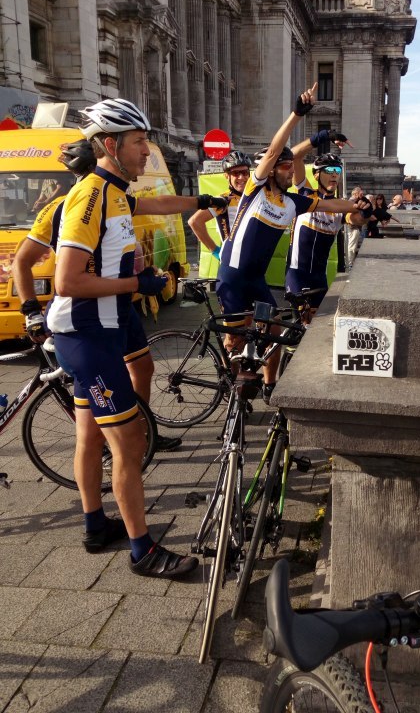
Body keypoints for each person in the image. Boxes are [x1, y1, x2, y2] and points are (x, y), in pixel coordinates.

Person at [45, 98, 223, 578]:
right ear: (110, 144)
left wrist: (205, 202)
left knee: (88, 434)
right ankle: (143, 552)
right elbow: (67, 282)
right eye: (140, 141)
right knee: (127, 442)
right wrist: (136, 284)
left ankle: (95, 524)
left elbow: (158, 203)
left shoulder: (116, 191)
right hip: (88, 333)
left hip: (99, 328)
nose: (148, 150)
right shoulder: (90, 196)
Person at [13, 139, 181, 453]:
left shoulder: (117, 198)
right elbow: (22, 260)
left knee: (143, 367)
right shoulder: (64, 207)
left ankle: (141, 432)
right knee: (97, 385)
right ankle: (111, 441)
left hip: (120, 303)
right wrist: (30, 310)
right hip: (87, 310)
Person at [216, 82, 372, 403]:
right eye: (285, 167)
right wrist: (298, 116)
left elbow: (332, 206)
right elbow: (278, 150)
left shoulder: (293, 202)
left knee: (273, 333)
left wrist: (361, 207)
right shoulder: (255, 191)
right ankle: (234, 395)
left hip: (256, 281)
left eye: (290, 166)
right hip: (232, 277)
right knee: (234, 344)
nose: (290, 169)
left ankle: (271, 385)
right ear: (273, 170)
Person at [285, 145, 373, 322]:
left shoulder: (341, 207)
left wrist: (366, 212)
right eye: (329, 170)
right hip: (297, 273)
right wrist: (320, 138)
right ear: (317, 175)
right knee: (302, 323)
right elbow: (295, 156)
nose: (334, 174)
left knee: (317, 324)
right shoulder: (305, 193)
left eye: (337, 170)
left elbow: (356, 220)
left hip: (319, 276)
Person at [188, 150, 252, 260]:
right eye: (236, 173)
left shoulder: (255, 197)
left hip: (254, 260)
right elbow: (194, 222)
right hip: (231, 261)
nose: (241, 177)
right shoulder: (223, 200)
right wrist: (215, 251)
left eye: (245, 172)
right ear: (227, 176)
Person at [346, 186, 366, 269]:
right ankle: (350, 263)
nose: (362, 195)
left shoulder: (354, 200)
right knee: (352, 246)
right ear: (356, 193)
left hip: (354, 226)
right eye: (360, 193)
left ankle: (351, 262)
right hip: (353, 226)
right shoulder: (352, 201)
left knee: (352, 245)